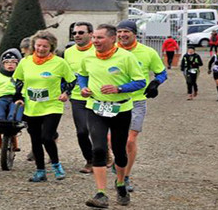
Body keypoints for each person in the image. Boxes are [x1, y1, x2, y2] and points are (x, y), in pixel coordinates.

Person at [78, 24, 146, 208]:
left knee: (119, 151)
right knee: (98, 149)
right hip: (95, 108)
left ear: (112, 39)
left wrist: (119, 88)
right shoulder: (88, 56)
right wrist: (83, 87)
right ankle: (101, 194)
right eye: (94, 38)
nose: (95, 41)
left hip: (120, 109)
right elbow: (82, 75)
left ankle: (121, 183)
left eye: (100, 38)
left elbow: (141, 82)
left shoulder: (126, 57)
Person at [12, 30, 76, 182]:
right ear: (34, 45)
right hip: (32, 106)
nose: (41, 49)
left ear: (51, 47)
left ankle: (56, 165)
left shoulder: (59, 63)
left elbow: (72, 80)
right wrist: (18, 96)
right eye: (38, 45)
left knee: (47, 137)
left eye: (45, 47)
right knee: (35, 139)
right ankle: (40, 171)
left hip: (52, 106)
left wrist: (66, 93)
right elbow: (18, 80)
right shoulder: (25, 62)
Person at [115, 20, 167, 192]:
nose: (122, 35)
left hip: (137, 101)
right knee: (112, 141)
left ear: (134, 34)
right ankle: (118, 163)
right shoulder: (110, 50)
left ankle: (125, 177)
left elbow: (162, 72)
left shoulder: (147, 52)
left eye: (126, 32)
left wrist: (155, 83)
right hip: (113, 101)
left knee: (130, 140)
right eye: (120, 31)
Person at [62, 22, 97, 173]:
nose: (77, 35)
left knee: (97, 130)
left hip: (98, 97)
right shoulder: (68, 52)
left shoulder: (99, 49)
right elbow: (66, 74)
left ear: (91, 34)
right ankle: (90, 160)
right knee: (82, 131)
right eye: (75, 33)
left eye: (81, 32)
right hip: (77, 97)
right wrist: (64, 91)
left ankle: (103, 152)